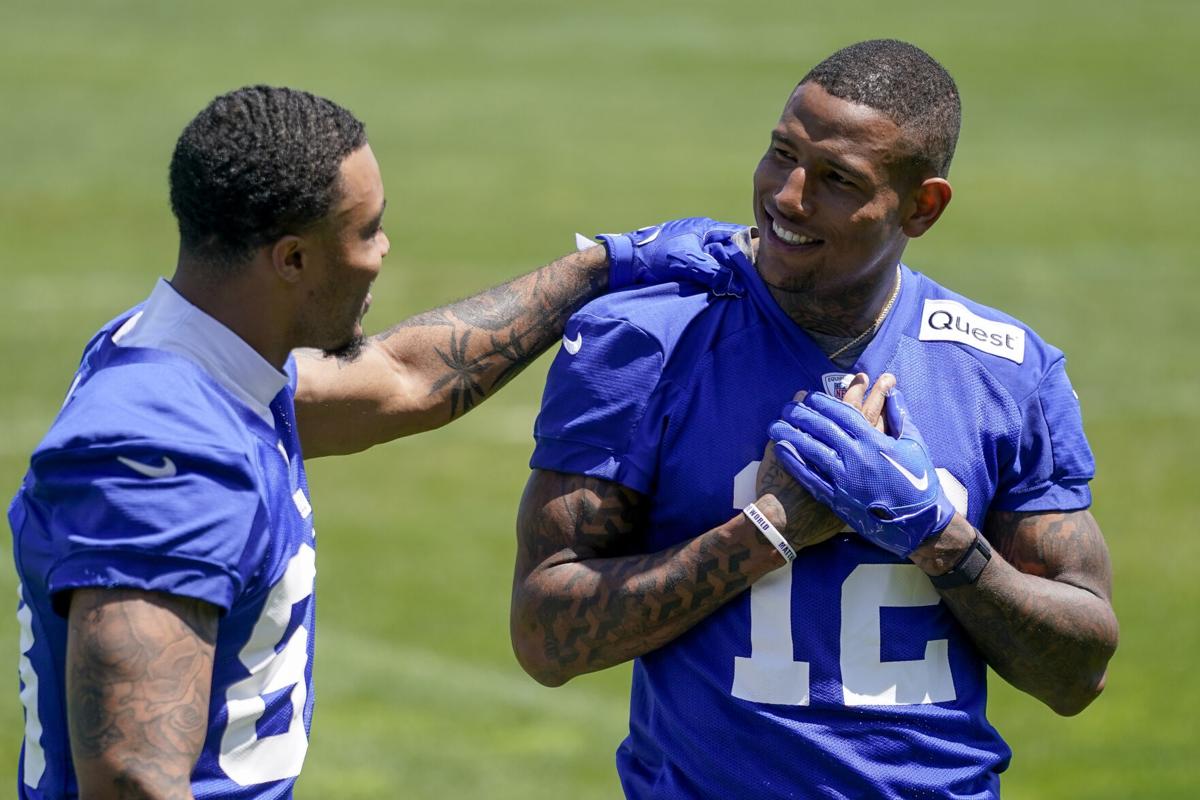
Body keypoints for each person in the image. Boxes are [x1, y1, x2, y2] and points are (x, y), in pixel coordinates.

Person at [8, 85, 737, 800]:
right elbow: (133, 780)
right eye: (367, 230)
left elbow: (403, 379)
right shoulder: (163, 463)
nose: (384, 250)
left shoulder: (187, 360)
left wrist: (604, 266)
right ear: (292, 260)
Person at [511, 39, 1118, 798]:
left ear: (921, 206)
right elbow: (544, 638)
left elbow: (1077, 673)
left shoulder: (1004, 371)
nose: (787, 197)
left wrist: (938, 537)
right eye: (780, 153)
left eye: (836, 180)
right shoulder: (644, 342)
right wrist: (766, 532)